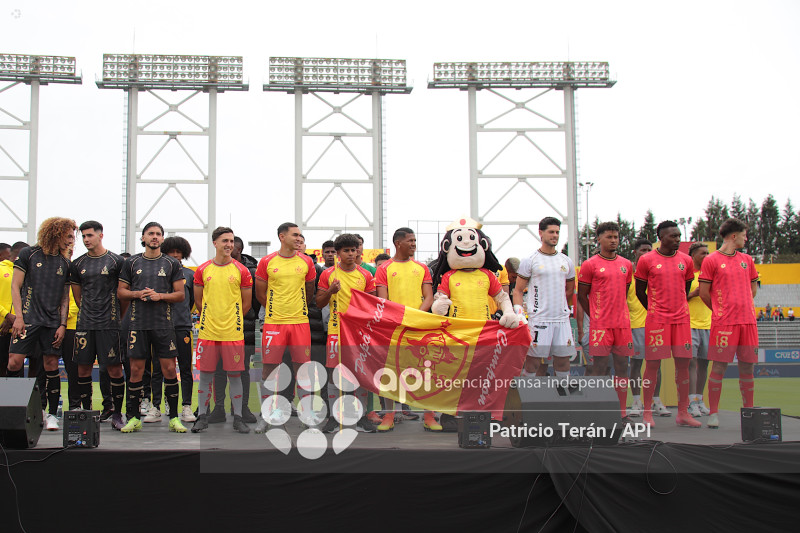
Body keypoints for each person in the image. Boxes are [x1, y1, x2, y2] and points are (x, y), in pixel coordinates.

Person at [117, 222, 187, 433]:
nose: (154, 237)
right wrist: (137, 294)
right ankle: (133, 417)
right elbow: (121, 292)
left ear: (162, 239)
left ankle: (174, 417)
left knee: (169, 370)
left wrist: (160, 296)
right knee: (136, 371)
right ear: (144, 237)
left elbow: (180, 295)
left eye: (158, 234)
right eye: (151, 234)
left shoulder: (171, 264)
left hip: (164, 325)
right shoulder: (131, 262)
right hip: (137, 325)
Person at [6, 218, 76, 431]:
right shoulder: (29, 254)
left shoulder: (65, 263)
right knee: (14, 363)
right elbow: (15, 286)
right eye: (69, 235)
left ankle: (52, 414)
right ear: (56, 233)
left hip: (52, 323)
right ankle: (12, 410)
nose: (71, 240)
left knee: (51, 366)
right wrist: (19, 317)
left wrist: (62, 324)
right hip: (27, 320)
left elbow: (65, 296)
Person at [635, 220, 700, 428]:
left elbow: (686, 286)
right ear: (661, 238)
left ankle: (683, 413)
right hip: (657, 321)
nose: (677, 240)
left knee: (683, 365)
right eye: (673, 236)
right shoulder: (647, 260)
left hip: (681, 320)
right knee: (652, 365)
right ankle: (647, 413)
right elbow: (639, 292)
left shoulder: (686, 260)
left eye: (679, 236)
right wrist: (654, 311)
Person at [254, 223, 316, 433]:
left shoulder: (307, 261)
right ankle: (267, 415)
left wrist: (296, 310)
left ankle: (307, 414)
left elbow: (309, 292)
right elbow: (260, 294)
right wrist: (276, 310)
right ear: (282, 237)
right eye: (295, 235)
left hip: (300, 323)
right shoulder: (267, 262)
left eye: (300, 235)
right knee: (269, 370)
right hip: (274, 323)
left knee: (303, 371)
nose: (299, 238)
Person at [191, 227, 253, 434]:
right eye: (225, 240)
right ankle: (202, 417)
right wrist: (212, 318)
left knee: (235, 375)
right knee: (206, 375)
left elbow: (246, 304)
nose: (229, 244)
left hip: (232, 334)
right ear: (215, 243)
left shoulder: (241, 270)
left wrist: (231, 321)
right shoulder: (202, 270)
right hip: (208, 333)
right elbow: (199, 302)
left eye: (232, 241)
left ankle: (238, 418)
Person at [699, 218, 760, 429]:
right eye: (744, 235)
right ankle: (713, 413)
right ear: (734, 235)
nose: (746, 238)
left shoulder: (747, 260)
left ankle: (749, 412)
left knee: (747, 367)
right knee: (719, 367)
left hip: (748, 323)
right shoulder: (712, 260)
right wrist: (720, 311)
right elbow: (705, 294)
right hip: (724, 324)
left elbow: (753, 290)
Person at [374, 227, 435, 431]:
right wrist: (399, 320)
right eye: (410, 240)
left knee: (426, 372)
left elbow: (429, 297)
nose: (414, 244)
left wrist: (415, 318)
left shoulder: (422, 268)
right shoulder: (385, 269)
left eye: (415, 240)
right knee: (390, 373)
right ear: (398, 243)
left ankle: (429, 416)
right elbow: (383, 300)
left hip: (417, 327)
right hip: (394, 328)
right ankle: (389, 416)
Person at [316, 233, 378, 433]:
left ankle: (360, 417)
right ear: (338, 253)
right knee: (335, 374)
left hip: (359, 333)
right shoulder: (328, 275)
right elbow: (318, 303)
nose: (351, 254)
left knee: (360, 373)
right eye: (346, 251)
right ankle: (334, 418)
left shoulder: (366, 275)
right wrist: (330, 292)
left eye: (354, 250)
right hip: (335, 331)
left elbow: (372, 305)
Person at [69, 221, 127, 430]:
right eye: (83, 236)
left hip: (109, 325)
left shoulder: (116, 261)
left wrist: (115, 317)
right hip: (85, 324)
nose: (86, 240)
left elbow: (123, 296)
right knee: (83, 369)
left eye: (89, 236)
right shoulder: (77, 264)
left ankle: (118, 414)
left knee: (114, 369)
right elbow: (77, 296)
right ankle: (87, 413)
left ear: (100, 235)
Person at [577, 221, 633, 419]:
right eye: (609, 237)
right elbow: (582, 295)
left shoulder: (626, 265)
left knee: (622, 368)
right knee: (598, 369)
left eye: (616, 237)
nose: (613, 241)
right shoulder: (590, 264)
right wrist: (597, 315)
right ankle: (596, 414)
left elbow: (623, 292)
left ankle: (621, 414)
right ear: (598, 239)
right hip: (600, 326)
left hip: (622, 325)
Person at [512, 217, 576, 383]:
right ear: (541, 233)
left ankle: (563, 400)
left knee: (563, 362)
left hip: (561, 321)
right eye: (551, 232)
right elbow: (518, 290)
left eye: (557, 232)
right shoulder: (530, 260)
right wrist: (520, 313)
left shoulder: (566, 261)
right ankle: (526, 400)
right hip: (539, 320)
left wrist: (564, 308)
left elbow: (570, 289)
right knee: (533, 363)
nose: (555, 235)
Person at [161, 236, 197, 423]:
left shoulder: (189, 275)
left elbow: (191, 302)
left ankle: (187, 406)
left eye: (178, 252)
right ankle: (167, 403)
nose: (175, 255)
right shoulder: (159, 273)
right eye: (171, 252)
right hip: (161, 327)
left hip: (182, 326)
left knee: (185, 368)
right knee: (163, 369)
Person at [687, 242, 711, 417]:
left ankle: (700, 399)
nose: (706, 256)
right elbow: (677, 298)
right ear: (693, 255)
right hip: (690, 324)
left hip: (708, 324)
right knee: (691, 363)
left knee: (704, 363)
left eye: (708, 253)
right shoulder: (687, 276)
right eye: (703, 253)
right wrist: (693, 294)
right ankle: (691, 402)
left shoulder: (711, 275)